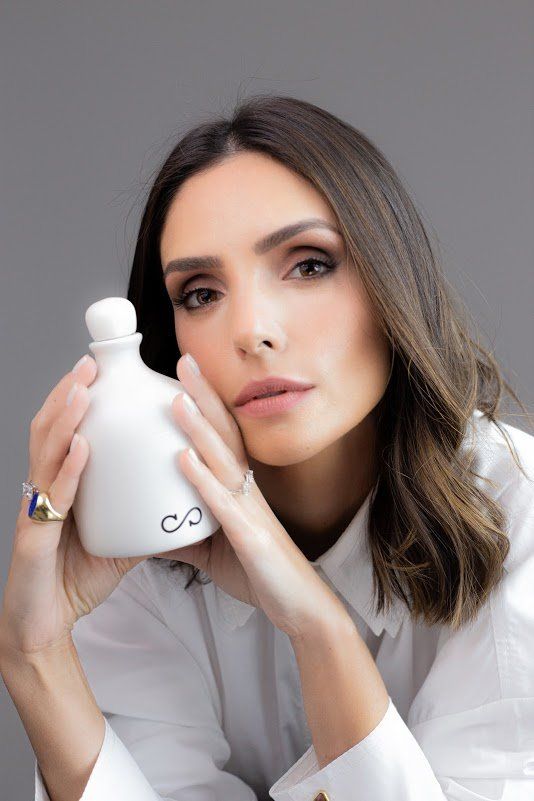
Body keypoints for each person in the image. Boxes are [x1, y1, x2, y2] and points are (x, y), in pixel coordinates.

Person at [1, 94, 533, 801]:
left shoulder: (515, 509)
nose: (252, 330)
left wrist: (316, 626)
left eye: (309, 265)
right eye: (200, 293)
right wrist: (33, 656)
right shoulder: (137, 542)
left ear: (392, 280)